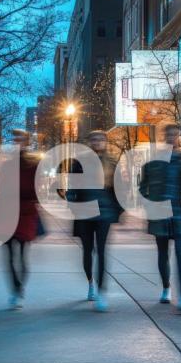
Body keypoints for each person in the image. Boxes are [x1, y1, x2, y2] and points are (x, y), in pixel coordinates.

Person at [139, 124, 181, 315]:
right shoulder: (154, 161)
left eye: (175, 135)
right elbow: (143, 186)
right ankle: (166, 287)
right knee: (163, 254)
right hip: (161, 215)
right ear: (165, 137)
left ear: (179, 137)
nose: (173, 138)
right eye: (169, 135)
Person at [69, 130, 122, 312]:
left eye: (101, 139)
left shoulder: (113, 162)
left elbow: (119, 188)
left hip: (104, 212)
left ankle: (101, 291)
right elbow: (71, 186)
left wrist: (119, 210)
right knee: (87, 251)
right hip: (84, 211)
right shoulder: (80, 161)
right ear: (89, 142)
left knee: (101, 251)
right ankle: (91, 282)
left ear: (106, 142)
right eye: (94, 139)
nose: (97, 142)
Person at [0, 129, 44, 309]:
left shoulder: (33, 165)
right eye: (14, 139)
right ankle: (15, 289)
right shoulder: (7, 164)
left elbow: (36, 190)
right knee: (10, 257)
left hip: (25, 214)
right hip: (8, 213)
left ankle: (19, 289)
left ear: (26, 142)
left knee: (23, 256)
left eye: (20, 139)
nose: (17, 141)